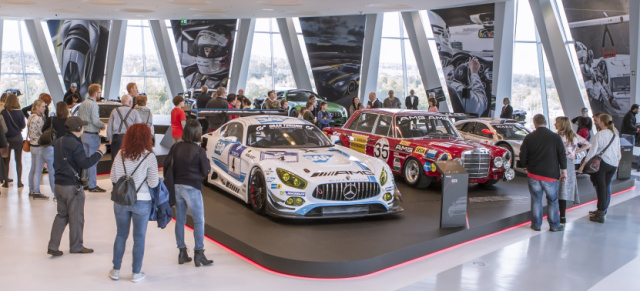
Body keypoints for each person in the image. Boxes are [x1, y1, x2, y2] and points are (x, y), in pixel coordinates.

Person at [48, 117, 106, 256]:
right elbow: (84, 163)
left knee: (62, 215)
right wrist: (99, 153)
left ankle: (53, 246)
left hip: (58, 185)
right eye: (82, 126)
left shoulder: (59, 141)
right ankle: (76, 246)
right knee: (77, 217)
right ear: (78, 129)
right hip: (72, 186)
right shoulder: (75, 144)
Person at [109, 124, 159, 283]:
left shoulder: (120, 154)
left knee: (121, 235)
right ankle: (136, 273)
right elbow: (153, 183)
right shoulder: (149, 156)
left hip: (121, 200)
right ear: (147, 137)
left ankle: (116, 270)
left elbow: (113, 179)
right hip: (142, 201)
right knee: (139, 238)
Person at [164, 120, 213, 267]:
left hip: (177, 186)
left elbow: (167, 165)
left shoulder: (175, 147)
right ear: (198, 133)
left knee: (180, 220)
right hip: (192, 188)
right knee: (198, 221)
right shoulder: (199, 151)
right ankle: (199, 253)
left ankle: (182, 252)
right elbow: (206, 171)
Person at [519, 114, 567, 232]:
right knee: (552, 200)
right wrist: (564, 171)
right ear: (545, 122)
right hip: (551, 175)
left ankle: (536, 225)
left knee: (536, 199)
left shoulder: (529, 137)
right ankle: (554, 225)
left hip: (533, 173)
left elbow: (522, 154)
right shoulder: (555, 137)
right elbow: (562, 154)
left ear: (534, 123)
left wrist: (525, 165)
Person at [578, 114, 621, 223]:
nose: (596, 122)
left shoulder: (599, 135)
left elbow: (592, 152)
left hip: (603, 164)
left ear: (602, 122)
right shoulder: (615, 133)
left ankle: (600, 214)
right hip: (613, 164)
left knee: (601, 189)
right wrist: (617, 162)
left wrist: (583, 165)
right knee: (606, 188)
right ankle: (601, 210)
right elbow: (618, 152)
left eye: (597, 121)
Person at [555, 117, 591, 224]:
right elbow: (589, 144)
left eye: (556, 123)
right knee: (564, 190)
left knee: (557, 189)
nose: (555, 124)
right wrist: (575, 152)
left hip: (559, 163)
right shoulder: (574, 135)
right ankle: (563, 216)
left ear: (561, 124)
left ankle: (556, 214)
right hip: (570, 163)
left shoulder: (558, 136)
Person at [77, 84, 107, 192]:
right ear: (95, 93)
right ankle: (92, 185)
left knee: (85, 160)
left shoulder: (83, 104)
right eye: (99, 92)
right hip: (92, 135)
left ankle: (84, 182)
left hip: (83, 134)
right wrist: (102, 125)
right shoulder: (94, 105)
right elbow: (95, 120)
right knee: (93, 161)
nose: (100, 94)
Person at [27, 99, 54, 199]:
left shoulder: (30, 117)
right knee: (38, 170)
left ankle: (31, 189)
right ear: (37, 107)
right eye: (42, 106)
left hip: (32, 145)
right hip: (38, 146)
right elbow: (42, 133)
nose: (44, 108)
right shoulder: (38, 119)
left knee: (33, 169)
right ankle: (36, 191)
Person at [107, 94, 141, 161]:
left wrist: (110, 138)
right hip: (129, 139)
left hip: (116, 139)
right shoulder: (134, 112)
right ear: (130, 102)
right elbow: (139, 126)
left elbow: (109, 126)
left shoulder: (114, 111)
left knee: (115, 160)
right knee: (128, 160)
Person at [2, 94, 26, 188]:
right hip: (17, 138)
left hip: (6, 139)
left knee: (6, 161)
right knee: (18, 160)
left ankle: (6, 182)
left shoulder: (4, 112)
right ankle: (19, 182)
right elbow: (23, 125)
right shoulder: (20, 113)